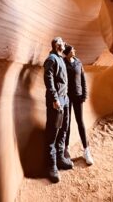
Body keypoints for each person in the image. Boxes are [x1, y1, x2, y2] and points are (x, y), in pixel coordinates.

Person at [43, 37, 74, 183]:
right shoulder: (52, 59)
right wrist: (55, 99)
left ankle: (61, 158)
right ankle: (52, 166)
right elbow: (48, 79)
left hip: (65, 99)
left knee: (64, 129)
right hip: (57, 101)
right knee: (53, 132)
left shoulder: (61, 58)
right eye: (61, 41)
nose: (64, 42)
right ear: (56, 45)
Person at [63, 44, 94, 165]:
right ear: (68, 52)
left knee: (80, 122)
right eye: (72, 50)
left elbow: (83, 79)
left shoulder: (78, 62)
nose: (74, 51)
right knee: (67, 123)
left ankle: (86, 150)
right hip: (67, 97)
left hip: (78, 96)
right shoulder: (63, 63)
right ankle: (66, 149)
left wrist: (84, 94)